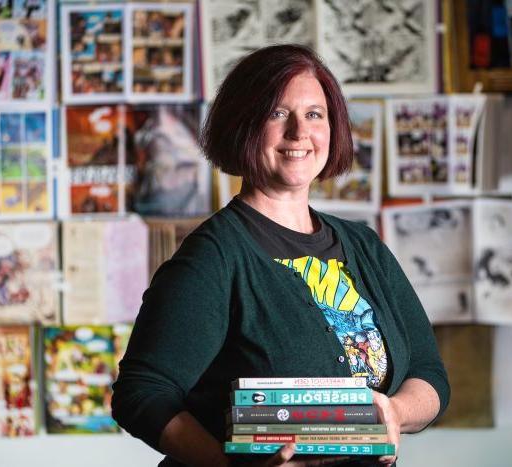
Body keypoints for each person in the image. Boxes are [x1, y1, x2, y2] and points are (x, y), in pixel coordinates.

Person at [112, 44, 449, 467]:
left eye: (314, 114)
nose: (298, 132)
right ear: (243, 125)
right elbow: (142, 392)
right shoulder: (213, 257)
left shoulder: (364, 247)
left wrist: (395, 413)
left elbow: (429, 374)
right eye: (277, 113)